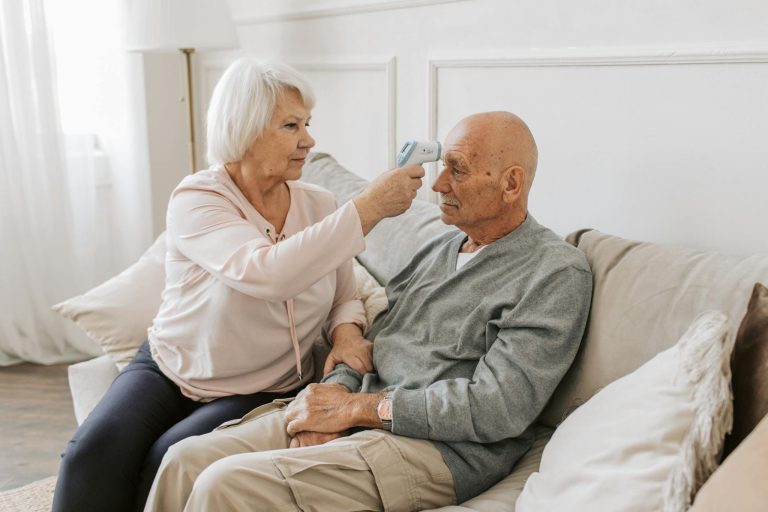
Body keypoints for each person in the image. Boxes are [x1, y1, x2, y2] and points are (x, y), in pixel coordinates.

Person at [143, 111, 593, 511]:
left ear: (511, 183)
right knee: (184, 459)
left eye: (457, 171)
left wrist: (360, 410)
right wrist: (329, 401)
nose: (437, 186)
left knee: (225, 485)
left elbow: (499, 408)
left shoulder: (553, 273)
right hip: (361, 414)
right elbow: (372, 342)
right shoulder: (440, 249)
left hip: (432, 449)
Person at [52, 59, 425, 512]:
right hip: (170, 368)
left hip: (262, 384)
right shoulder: (198, 198)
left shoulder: (321, 204)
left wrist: (346, 331)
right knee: (90, 454)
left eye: (307, 123)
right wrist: (368, 207)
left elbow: (344, 294)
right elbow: (267, 272)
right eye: (291, 125)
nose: (309, 140)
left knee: (166, 460)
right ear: (243, 129)